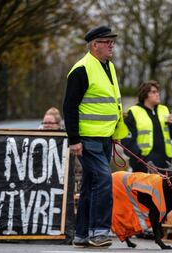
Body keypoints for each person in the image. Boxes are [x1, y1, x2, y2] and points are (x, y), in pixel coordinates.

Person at [63, 25, 128, 248]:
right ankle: (99, 232)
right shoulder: (82, 69)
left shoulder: (107, 67)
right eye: (107, 41)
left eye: (112, 41)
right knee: (103, 180)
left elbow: (113, 105)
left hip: (104, 139)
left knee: (91, 184)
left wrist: (116, 134)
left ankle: (81, 235)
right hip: (87, 139)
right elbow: (69, 107)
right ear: (94, 45)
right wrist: (74, 140)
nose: (111, 45)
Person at [122, 80, 172, 173]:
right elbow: (126, 139)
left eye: (158, 92)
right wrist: (139, 157)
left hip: (164, 163)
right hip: (143, 164)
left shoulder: (164, 110)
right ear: (145, 94)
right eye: (153, 92)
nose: (157, 94)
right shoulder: (134, 112)